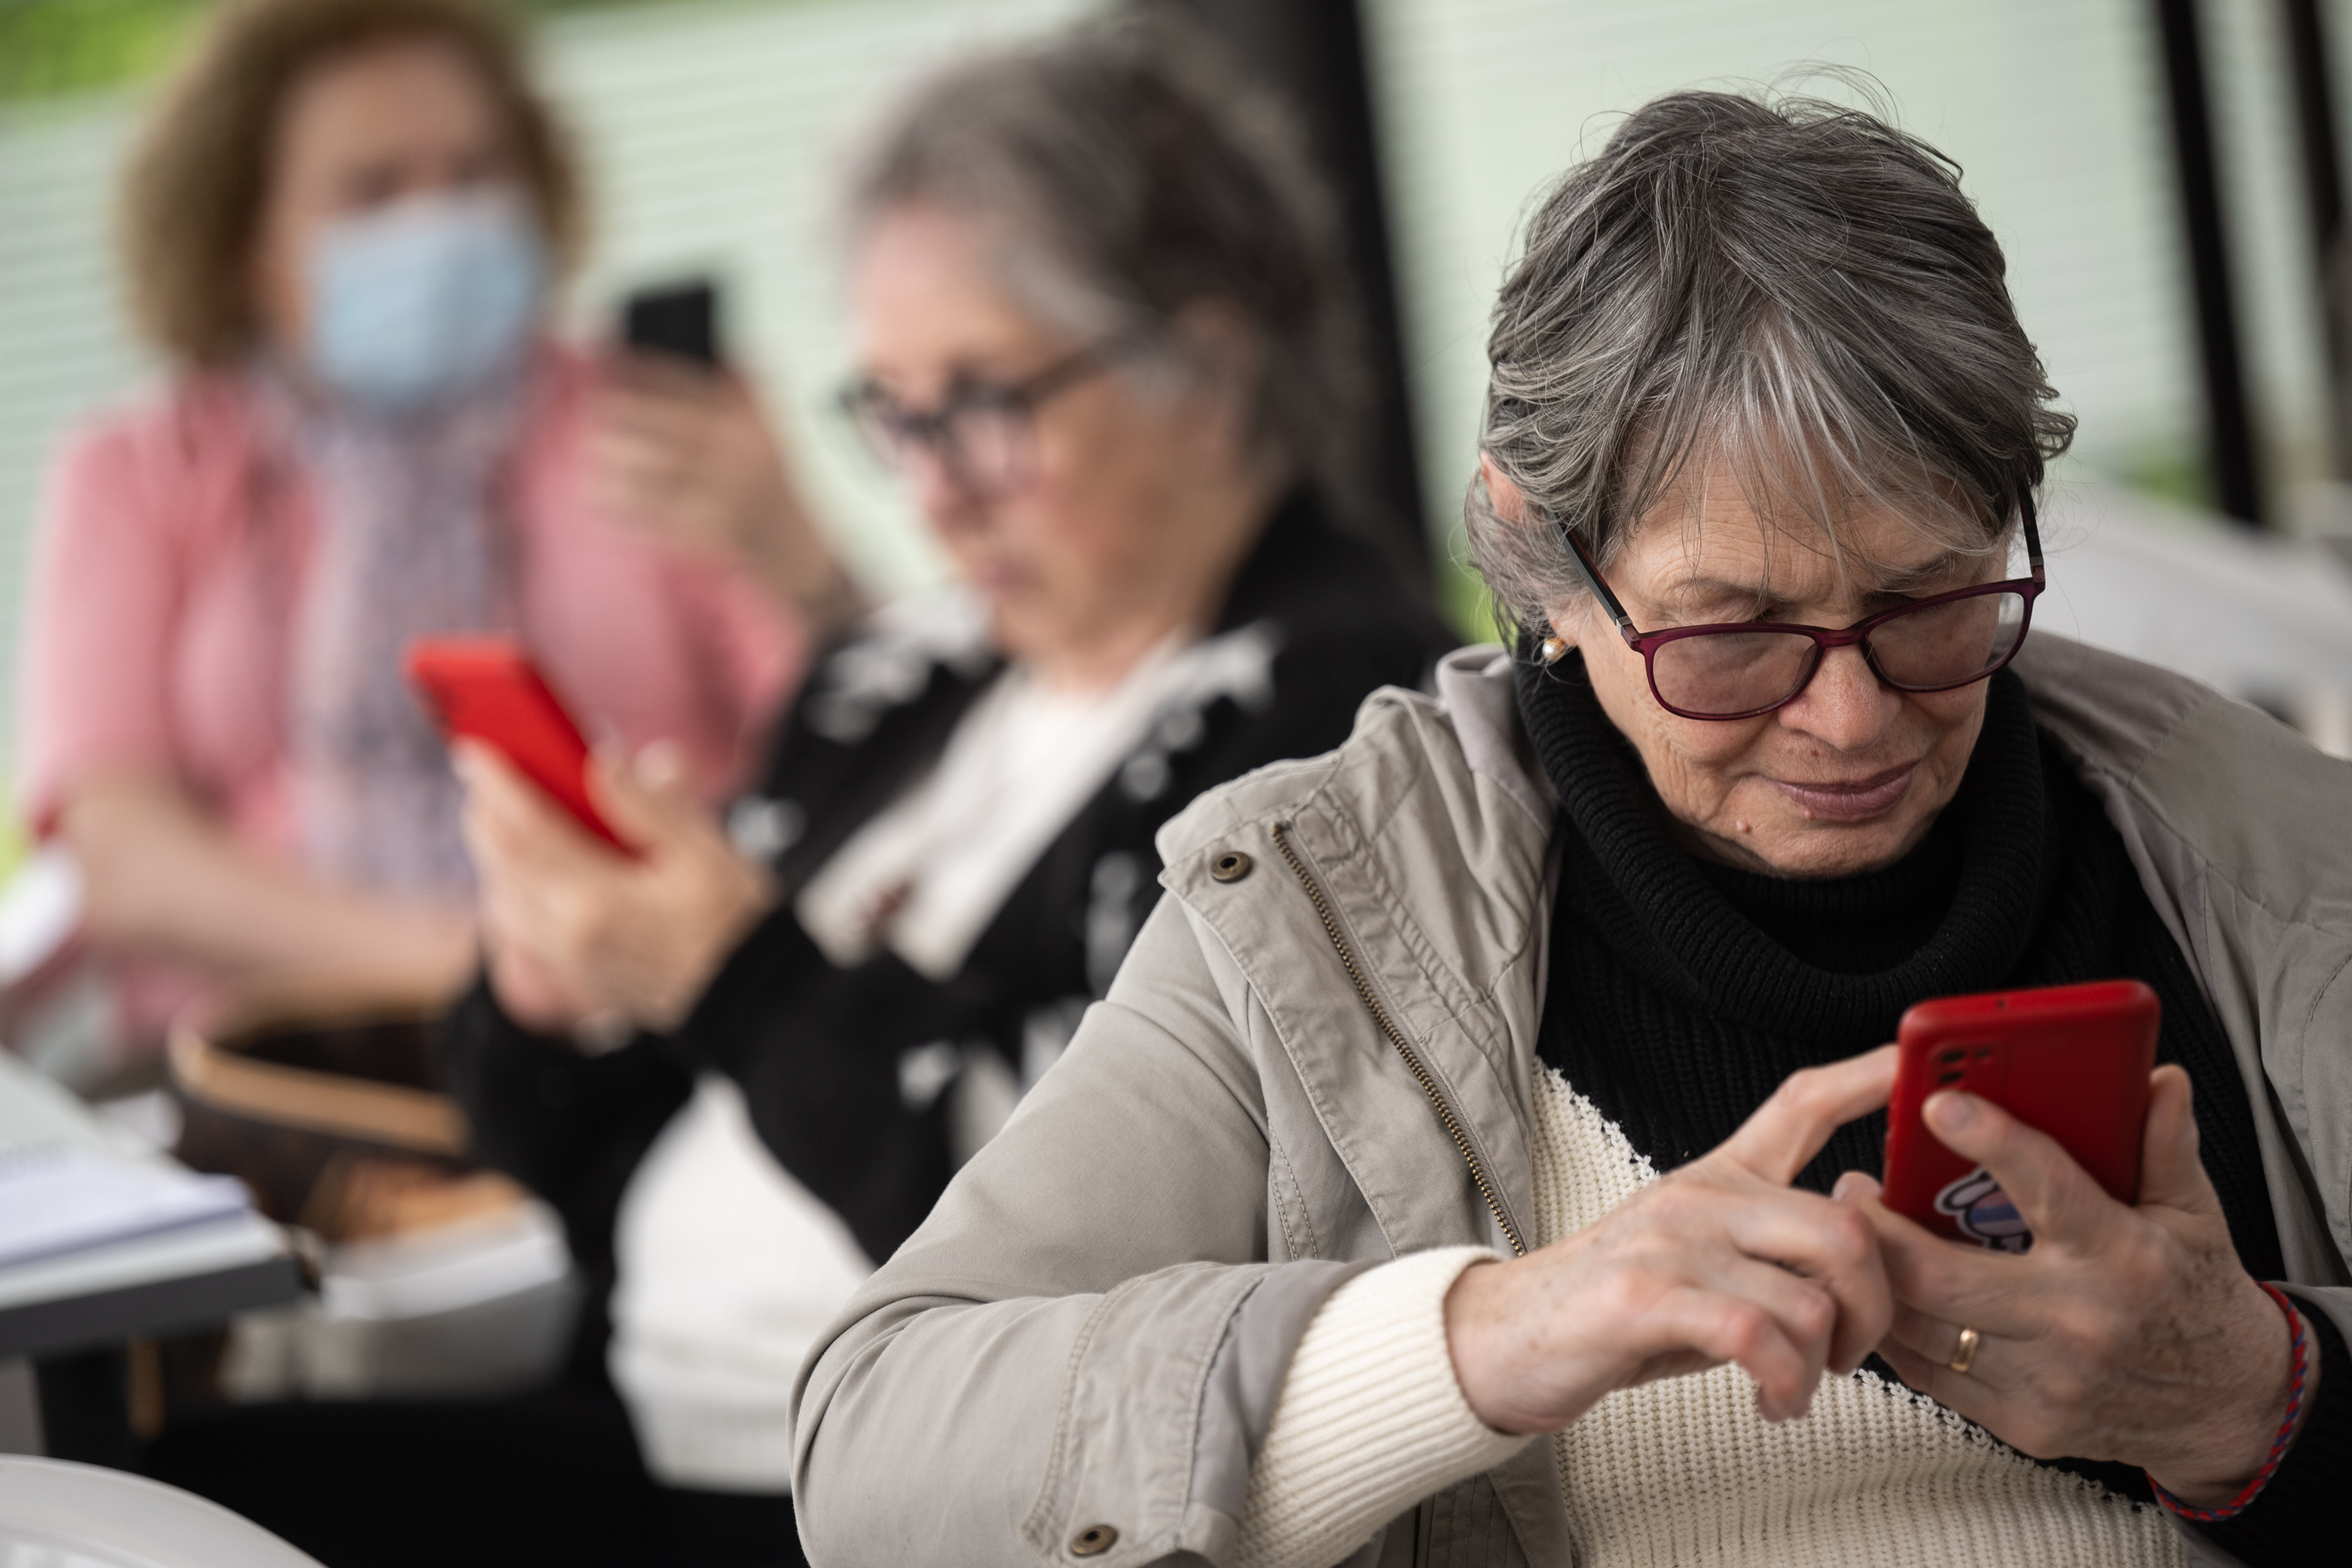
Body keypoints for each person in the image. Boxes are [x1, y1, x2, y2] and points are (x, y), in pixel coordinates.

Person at [793, 89, 2352, 1567]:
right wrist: (1488, 1336)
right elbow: (877, 1452)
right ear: (1540, 565)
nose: (1854, 717)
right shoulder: (1322, 906)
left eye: (1930, 602)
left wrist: (2260, 1399)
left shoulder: (2272, 849)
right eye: (1731, 634)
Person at [147, 18, 1456, 1568]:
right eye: (893, 415)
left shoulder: (1337, 726)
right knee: (173, 1484)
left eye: (985, 402)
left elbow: (1097, 1236)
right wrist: (556, 999)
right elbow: (604, 1167)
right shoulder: (905, 673)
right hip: (654, 1414)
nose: (933, 485)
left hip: (934, 1503)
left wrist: (730, 974)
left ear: (1213, 368)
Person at [14, 0, 839, 1065]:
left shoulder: (654, 416)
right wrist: (491, 963)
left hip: (643, 1048)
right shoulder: (136, 471)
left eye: (476, 172)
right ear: (242, 236)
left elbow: (861, 718)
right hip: (277, 1064)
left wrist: (793, 554)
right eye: (375, 190)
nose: (440, 218)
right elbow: (123, 856)